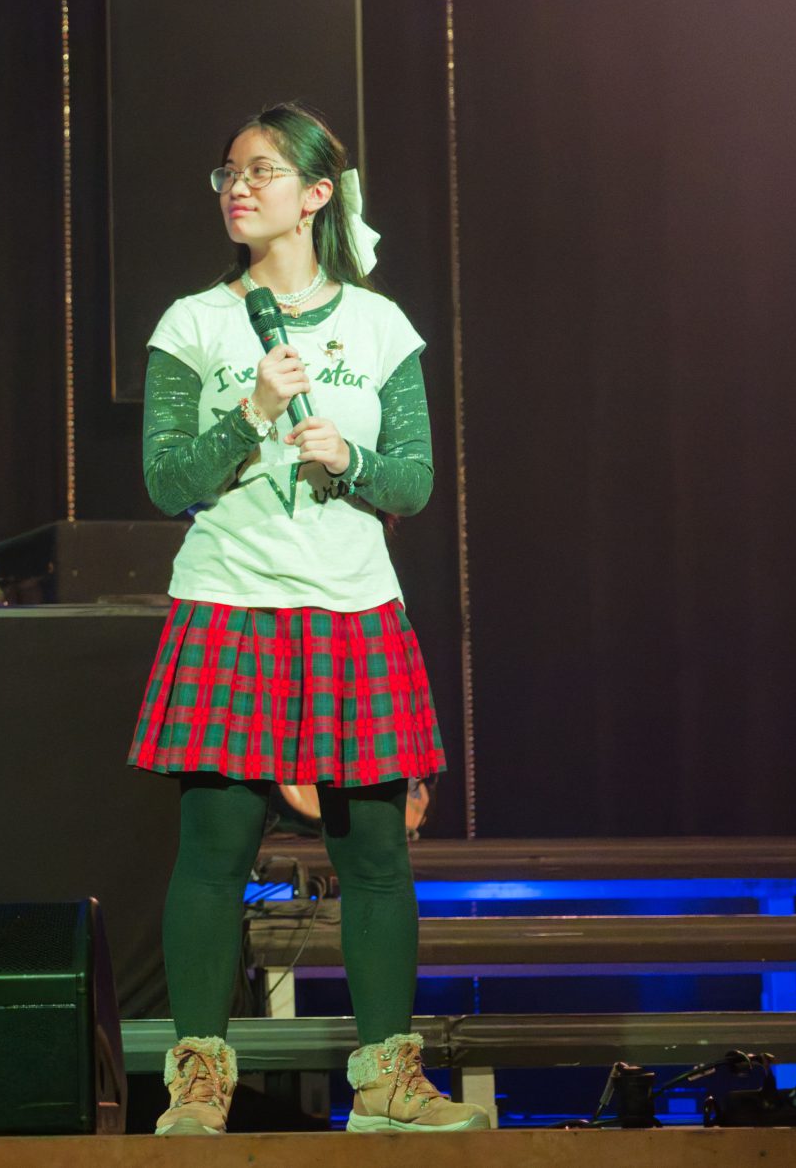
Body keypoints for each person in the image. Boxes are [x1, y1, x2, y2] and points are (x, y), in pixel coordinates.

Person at [128, 102, 486, 1135]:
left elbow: (413, 482)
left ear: (317, 194)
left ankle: (386, 1082)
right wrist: (247, 413)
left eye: (262, 171)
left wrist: (352, 459)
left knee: (375, 856)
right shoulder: (194, 322)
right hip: (231, 599)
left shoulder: (378, 325)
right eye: (228, 173)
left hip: (351, 606)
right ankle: (198, 1083)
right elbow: (165, 481)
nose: (238, 187)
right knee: (214, 855)